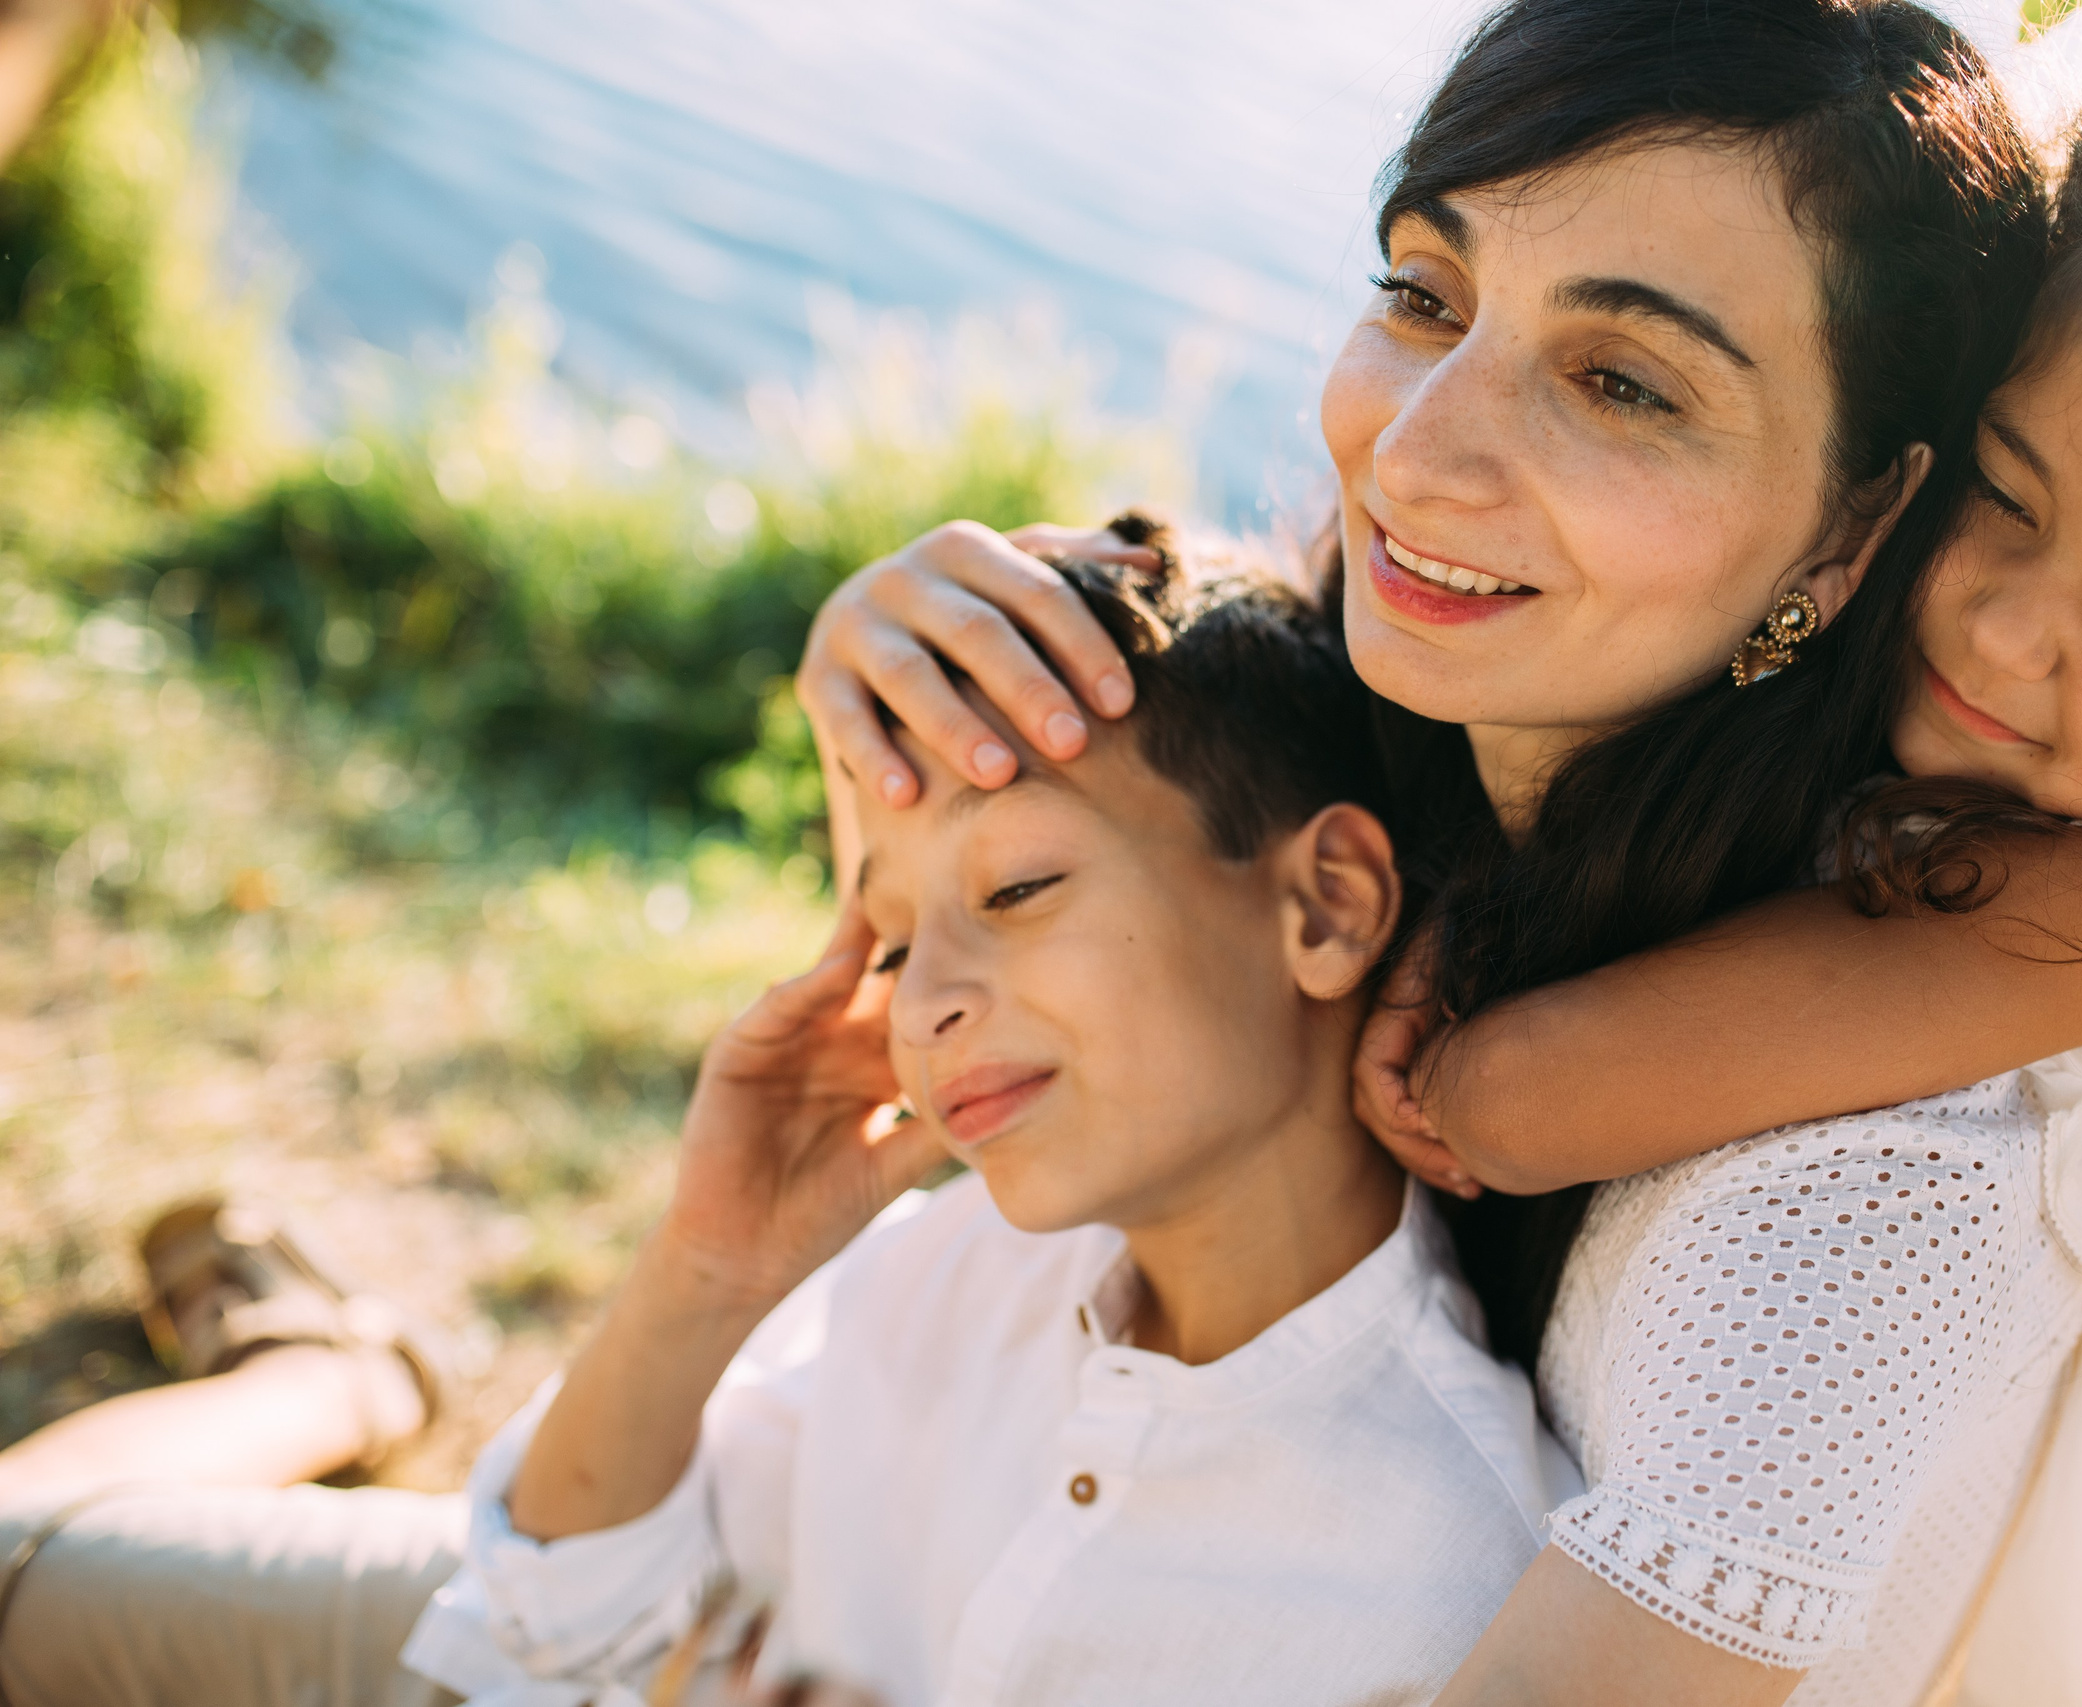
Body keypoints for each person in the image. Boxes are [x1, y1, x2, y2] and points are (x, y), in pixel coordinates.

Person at [794, 3, 2082, 1702]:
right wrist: (886, 690)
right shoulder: (1403, 757)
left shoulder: (1858, 1194)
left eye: (1621, 381)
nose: (1411, 452)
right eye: (1423, 295)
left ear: (1856, 524)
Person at [1350, 61, 2082, 1705]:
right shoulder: (2015, 779)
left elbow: (1518, 1098)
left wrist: (1460, 993)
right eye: (2002, 492)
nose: (2001, 625)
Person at [0, 554, 1578, 1706]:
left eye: (1018, 890)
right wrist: (707, 1273)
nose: (925, 1004)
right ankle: (334, 1375)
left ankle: (318, 1374)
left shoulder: (1442, 1588)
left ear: (1326, 903)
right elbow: (548, 1622)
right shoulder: (946, 1269)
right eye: (894, 943)